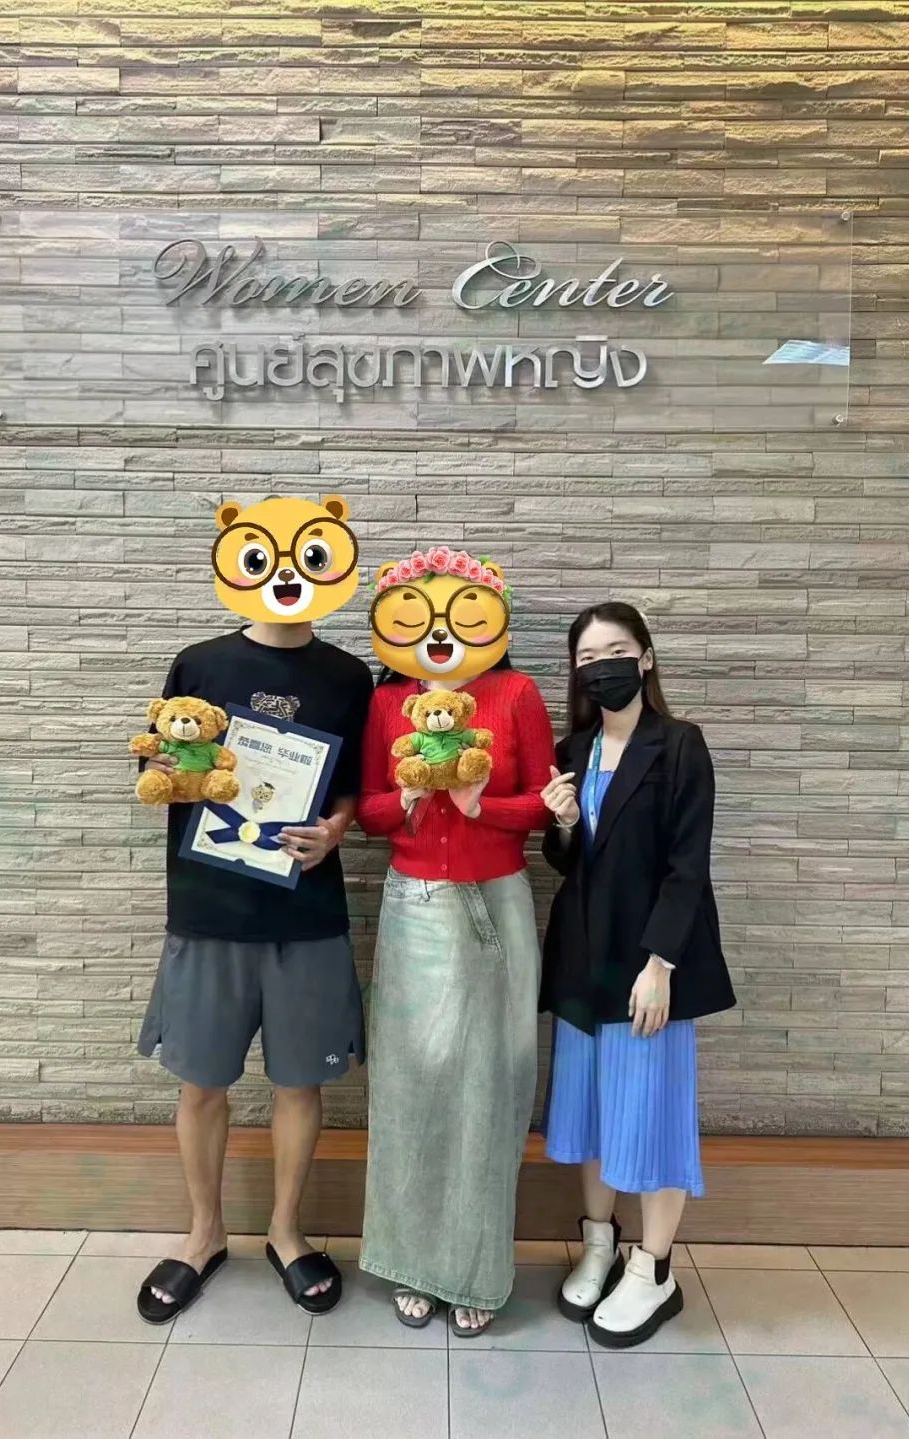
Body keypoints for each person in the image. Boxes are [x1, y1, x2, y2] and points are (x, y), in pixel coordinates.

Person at [135, 495, 373, 1323]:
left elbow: (355, 786)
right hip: (209, 905)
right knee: (201, 1080)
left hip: (306, 913)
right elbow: (162, 760)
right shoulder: (198, 663)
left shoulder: (348, 676)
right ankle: (203, 1232)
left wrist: (335, 830)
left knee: (301, 1081)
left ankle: (286, 1231)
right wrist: (171, 772)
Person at [357, 548, 554, 1337]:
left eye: (460, 615)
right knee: (412, 1081)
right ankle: (412, 1261)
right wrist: (405, 797)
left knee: (490, 1084)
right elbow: (368, 811)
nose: (440, 633)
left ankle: (476, 1270)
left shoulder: (516, 693)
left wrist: (483, 807)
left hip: (496, 900)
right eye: (420, 618)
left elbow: (543, 801)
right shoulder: (388, 702)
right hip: (413, 903)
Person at [539, 601, 736, 1349]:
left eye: (616, 651)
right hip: (583, 961)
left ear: (646, 657)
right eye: (588, 657)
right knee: (591, 1111)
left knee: (652, 1116)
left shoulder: (680, 744)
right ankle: (599, 1243)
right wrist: (562, 823)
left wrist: (661, 965)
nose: (602, 667)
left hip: (649, 964)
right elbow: (567, 862)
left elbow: (688, 867)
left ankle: (654, 1269)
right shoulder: (573, 747)